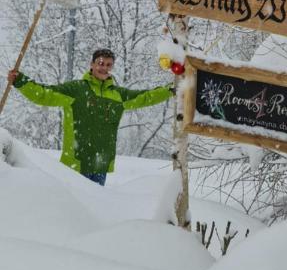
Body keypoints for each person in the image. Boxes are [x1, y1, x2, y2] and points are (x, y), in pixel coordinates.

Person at [7, 48, 175, 185]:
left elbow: (146, 97)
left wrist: (171, 90)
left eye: (109, 65)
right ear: (92, 64)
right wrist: (21, 81)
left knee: (94, 210)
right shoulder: (77, 89)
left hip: (101, 164)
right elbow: (44, 94)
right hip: (76, 163)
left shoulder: (118, 95)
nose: (104, 68)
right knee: (73, 212)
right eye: (101, 63)